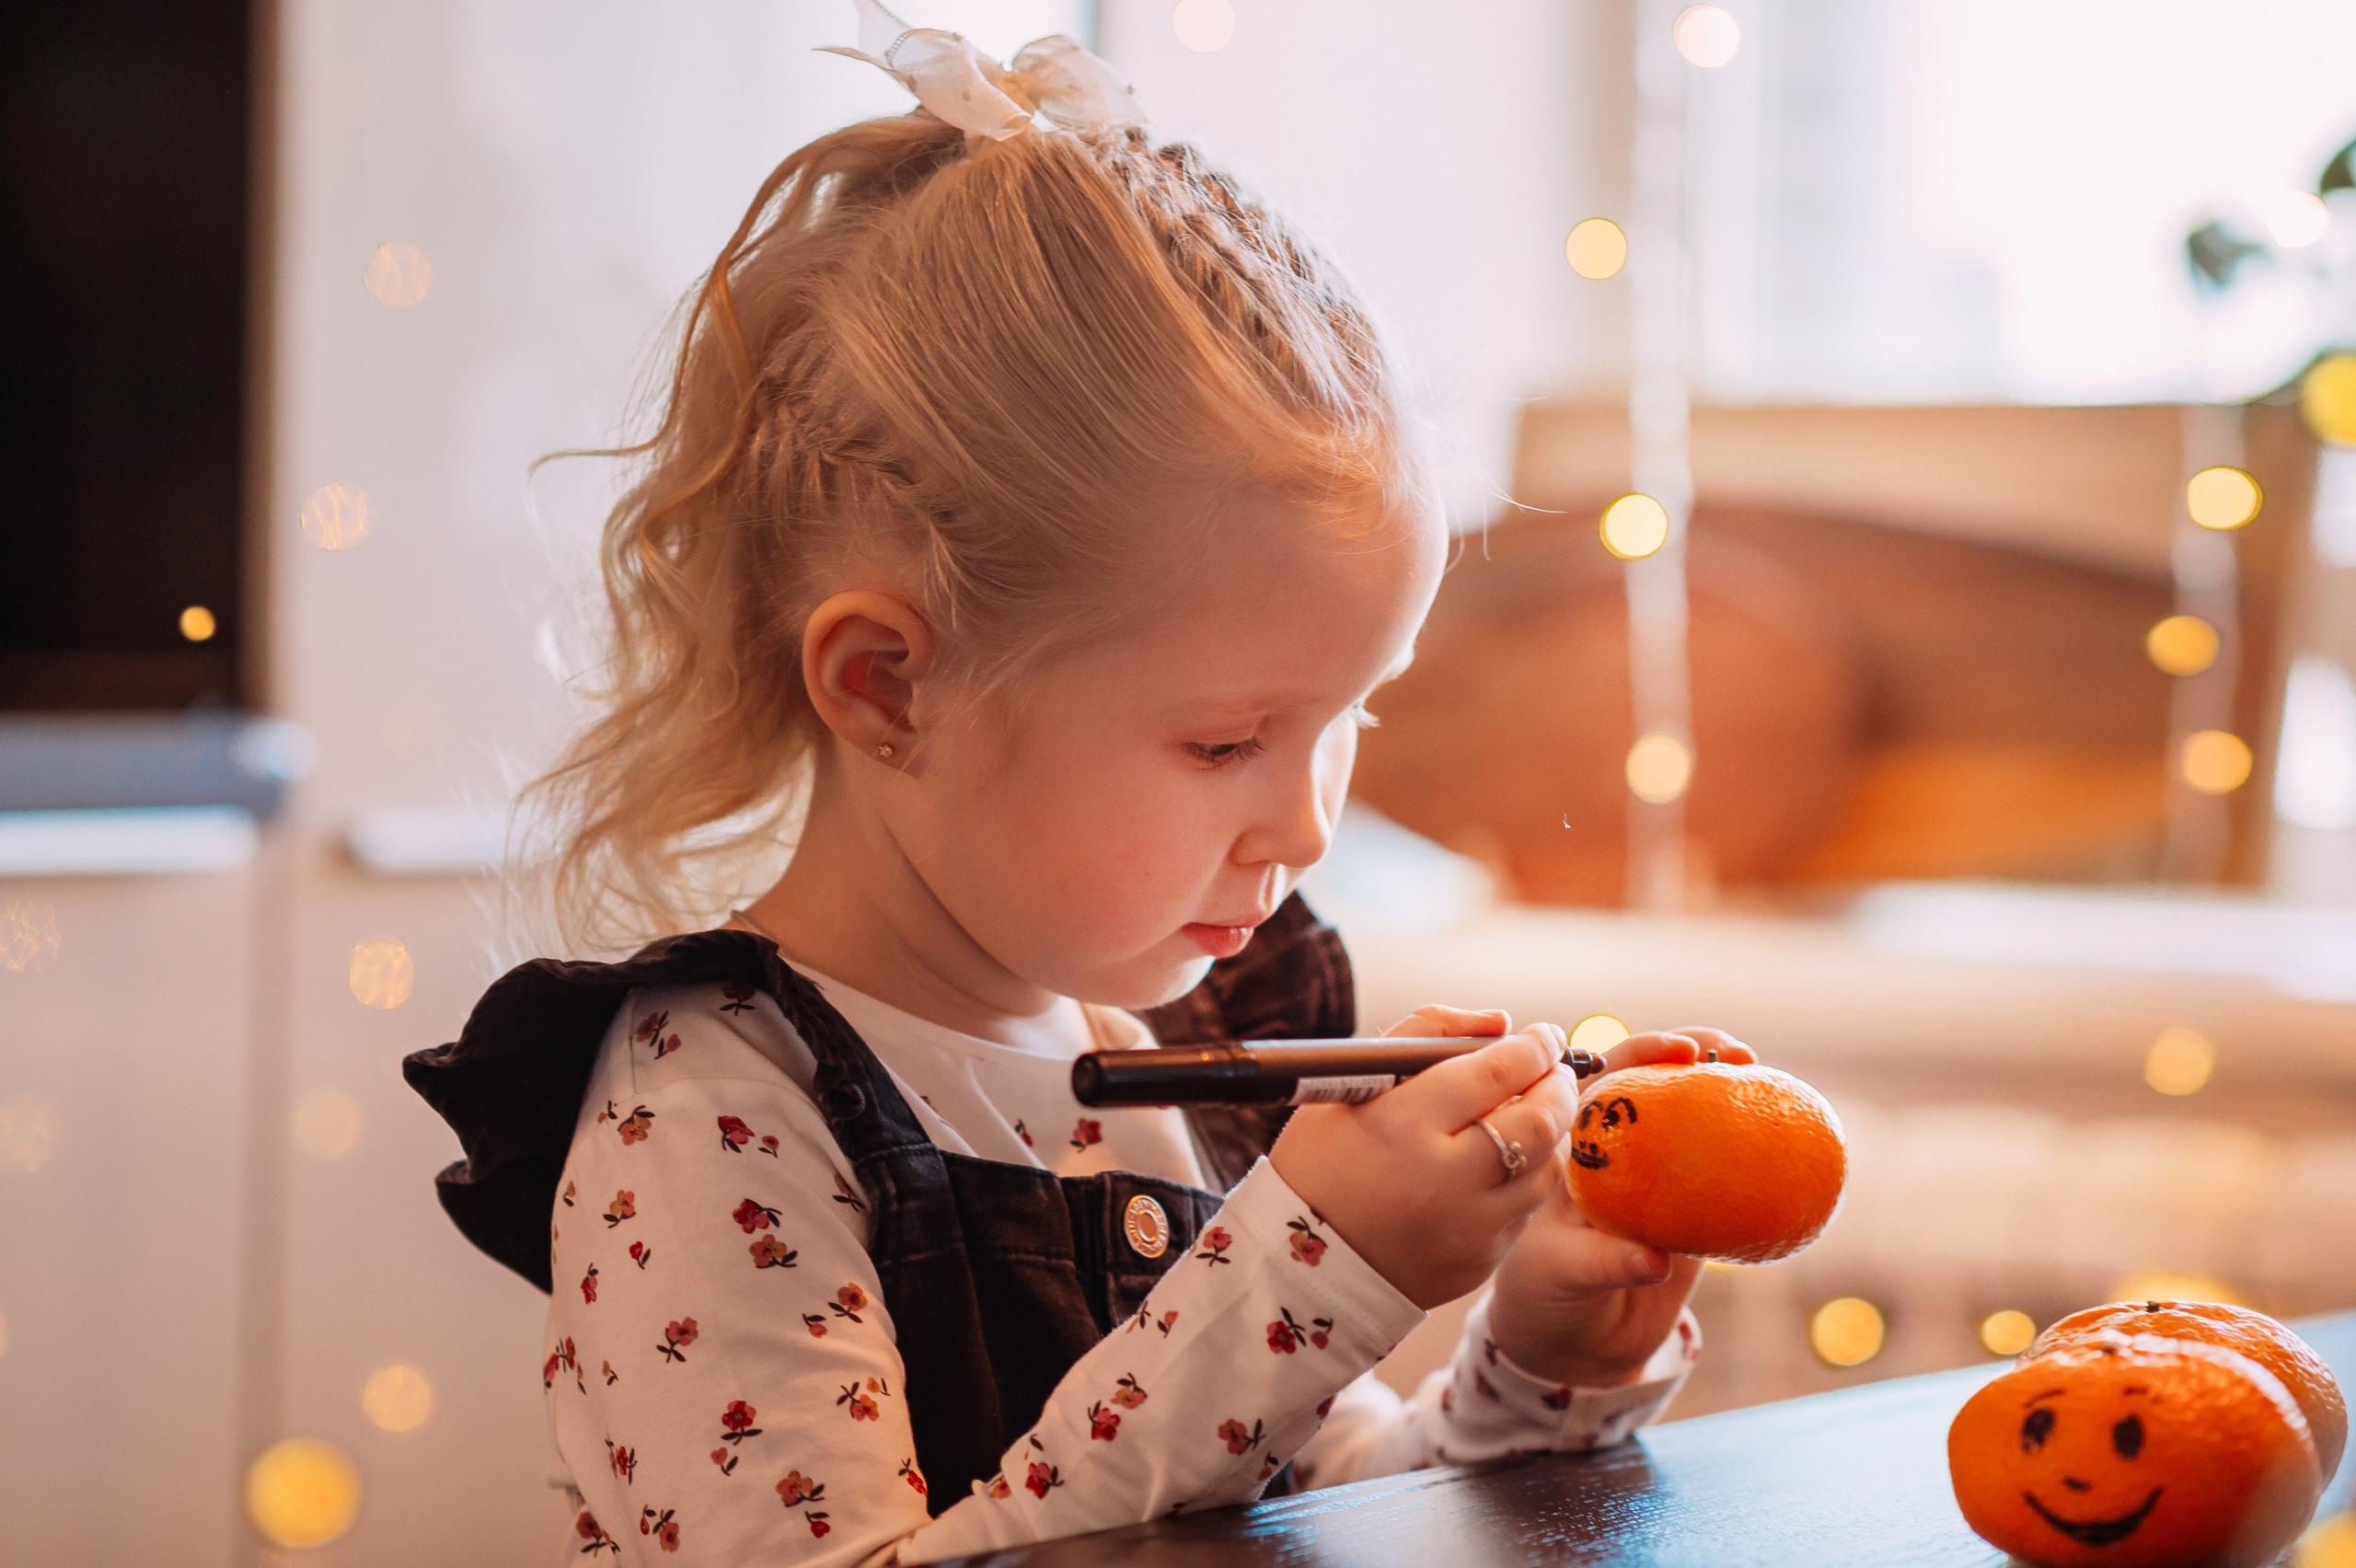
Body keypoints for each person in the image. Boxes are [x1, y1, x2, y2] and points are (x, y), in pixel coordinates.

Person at [406, 6, 1756, 1562]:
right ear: (887, 685)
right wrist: (1314, 1272)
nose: (1309, 824)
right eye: (1223, 743)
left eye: (1349, 722)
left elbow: (1288, 1510)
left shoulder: (1151, 1055)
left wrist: (1540, 1371)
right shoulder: (714, 1109)